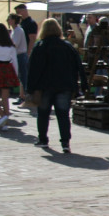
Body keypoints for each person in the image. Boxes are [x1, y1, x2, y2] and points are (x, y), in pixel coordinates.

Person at [26, 18, 88, 154]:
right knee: (63, 115)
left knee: (43, 114)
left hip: (44, 85)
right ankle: (65, 142)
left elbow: (32, 70)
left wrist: (30, 88)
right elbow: (78, 65)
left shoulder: (40, 46)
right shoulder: (67, 46)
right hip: (64, 85)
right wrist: (82, 85)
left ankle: (43, 139)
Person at [0, 24, 19, 129]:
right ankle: (5, 121)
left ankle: (2, 115)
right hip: (7, 69)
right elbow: (15, 61)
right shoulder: (11, 46)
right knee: (5, 97)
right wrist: (16, 74)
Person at [8, 13, 28, 102]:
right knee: (21, 77)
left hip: (21, 55)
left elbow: (15, 44)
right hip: (17, 56)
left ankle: (26, 97)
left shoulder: (18, 30)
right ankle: (22, 96)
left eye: (9, 19)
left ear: (13, 20)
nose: (8, 21)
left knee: (23, 76)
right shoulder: (14, 30)